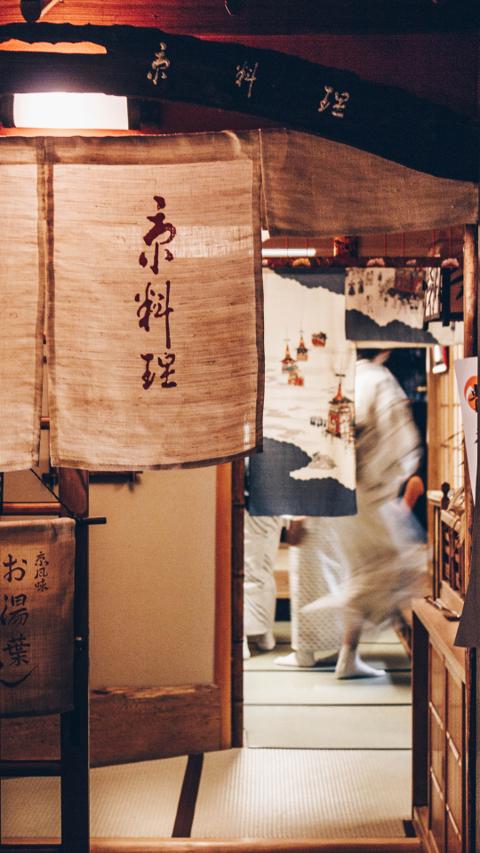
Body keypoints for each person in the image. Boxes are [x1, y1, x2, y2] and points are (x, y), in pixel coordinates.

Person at [302, 349, 426, 678]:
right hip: (371, 491)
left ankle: (348, 655)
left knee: (366, 570)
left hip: (342, 491)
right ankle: (427, 667)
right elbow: (399, 441)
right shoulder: (378, 380)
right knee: (402, 568)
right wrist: (396, 476)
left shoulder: (342, 380)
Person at [243, 513, 284, 659]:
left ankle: (242, 637)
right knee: (264, 569)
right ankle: (266, 635)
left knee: (248, 569)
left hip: (251, 508)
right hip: (273, 507)